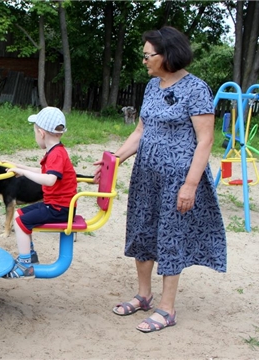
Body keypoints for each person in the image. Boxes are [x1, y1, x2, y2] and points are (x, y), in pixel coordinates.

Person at [100, 26, 226, 332]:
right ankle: (144, 295)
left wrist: (191, 184)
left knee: (171, 237)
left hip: (178, 179)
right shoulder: (152, 87)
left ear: (167, 54)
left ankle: (167, 309)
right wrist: (113, 160)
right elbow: (140, 132)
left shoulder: (196, 88)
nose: (144, 60)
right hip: (146, 176)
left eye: (148, 55)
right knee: (142, 232)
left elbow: (206, 140)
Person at [3, 107, 77, 279]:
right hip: (56, 205)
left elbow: (50, 179)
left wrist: (25, 174)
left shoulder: (56, 154)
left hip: (59, 209)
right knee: (19, 214)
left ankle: (25, 265)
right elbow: (43, 170)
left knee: (21, 221)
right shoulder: (55, 152)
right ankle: (30, 255)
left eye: (35, 132)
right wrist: (19, 167)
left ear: (41, 133)